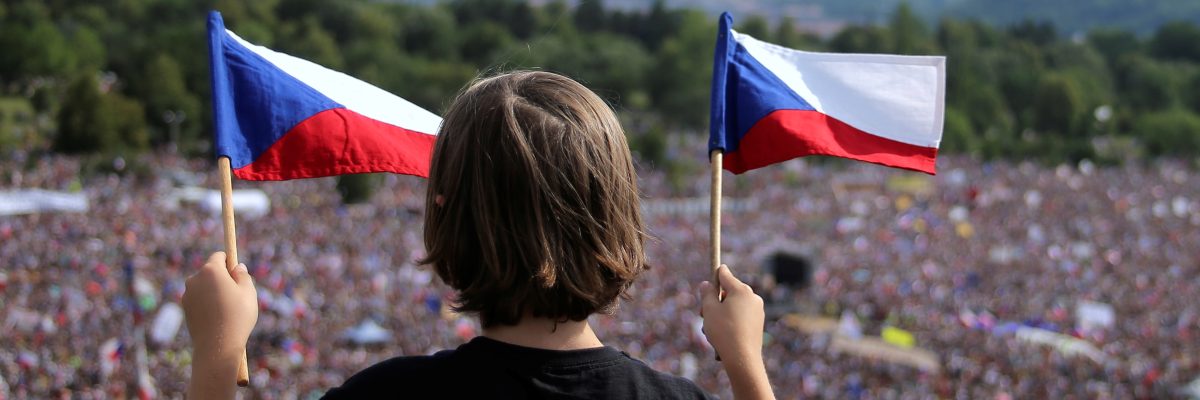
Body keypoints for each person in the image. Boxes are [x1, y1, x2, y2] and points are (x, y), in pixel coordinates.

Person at [183, 71, 775, 399]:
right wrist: (746, 363)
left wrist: (215, 355)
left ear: (444, 214)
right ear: (618, 216)